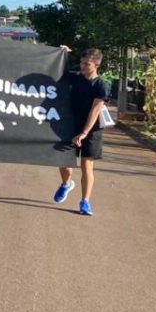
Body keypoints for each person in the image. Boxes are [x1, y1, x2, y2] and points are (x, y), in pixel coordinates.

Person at [53, 48, 107, 216]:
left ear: (96, 64)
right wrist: (62, 53)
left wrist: (84, 133)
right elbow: (56, 70)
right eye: (81, 63)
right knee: (65, 162)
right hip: (70, 127)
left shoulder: (101, 85)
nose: (82, 66)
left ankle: (85, 202)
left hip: (92, 130)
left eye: (86, 64)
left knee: (86, 166)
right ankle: (66, 184)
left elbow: (95, 111)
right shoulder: (75, 78)